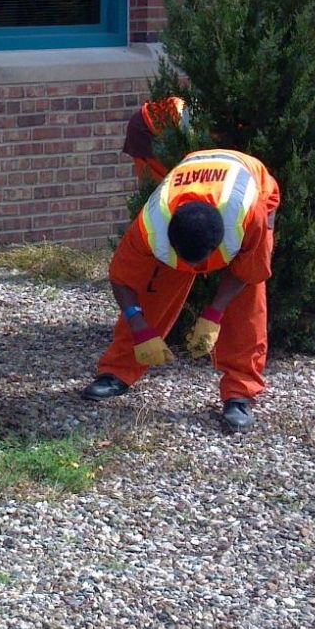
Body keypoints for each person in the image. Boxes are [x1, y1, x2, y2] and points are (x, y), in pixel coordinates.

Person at [81, 137, 281, 434]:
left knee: (248, 303)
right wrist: (139, 327)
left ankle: (240, 392)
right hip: (191, 189)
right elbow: (122, 278)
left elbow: (249, 270)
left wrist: (214, 314)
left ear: (221, 245)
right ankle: (117, 371)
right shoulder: (151, 223)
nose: (197, 272)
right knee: (153, 290)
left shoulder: (248, 214)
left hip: (255, 182)